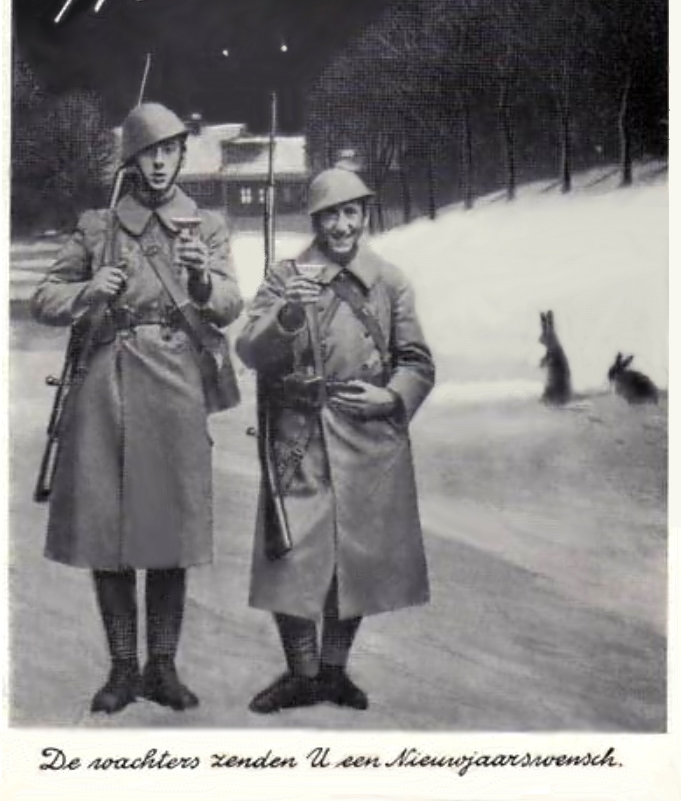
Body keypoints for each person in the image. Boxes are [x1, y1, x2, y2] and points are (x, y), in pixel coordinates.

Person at [32, 103, 243, 715]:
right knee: (110, 531)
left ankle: (162, 669)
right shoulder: (99, 227)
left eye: (169, 151)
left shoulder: (204, 225)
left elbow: (230, 303)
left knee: (169, 532)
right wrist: (88, 289)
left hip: (176, 387)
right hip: (108, 387)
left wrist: (201, 282)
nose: (159, 163)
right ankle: (123, 669)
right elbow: (44, 298)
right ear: (133, 159)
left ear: (181, 156)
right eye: (149, 152)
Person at [236, 167, 435, 714]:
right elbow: (249, 350)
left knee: (356, 558)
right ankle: (301, 674)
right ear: (315, 220)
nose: (342, 226)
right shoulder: (285, 276)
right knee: (291, 557)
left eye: (351, 213)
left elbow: (417, 362)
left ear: (364, 215)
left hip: (367, 437)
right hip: (298, 436)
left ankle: (333, 671)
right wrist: (287, 313)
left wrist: (390, 397)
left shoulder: (390, 281)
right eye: (330, 215)